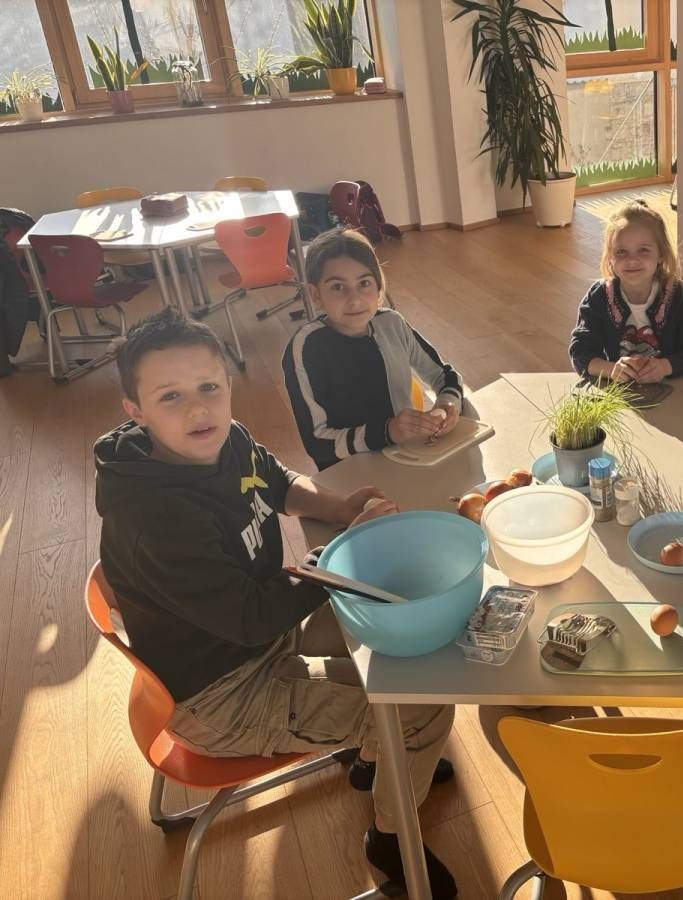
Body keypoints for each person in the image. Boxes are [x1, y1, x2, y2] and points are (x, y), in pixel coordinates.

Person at [95, 308, 458, 897]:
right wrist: (333, 552)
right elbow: (252, 617)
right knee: (425, 707)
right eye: (170, 397)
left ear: (228, 382)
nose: (198, 409)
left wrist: (338, 507)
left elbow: (277, 480)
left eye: (209, 387)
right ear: (134, 410)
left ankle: (377, 756)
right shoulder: (156, 518)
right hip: (224, 697)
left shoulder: (226, 440)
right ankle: (391, 837)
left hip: (255, 642)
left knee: (384, 623)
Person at [283, 227, 464, 471]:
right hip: (350, 475)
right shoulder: (306, 347)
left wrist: (447, 405)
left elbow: (445, 376)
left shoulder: (392, 323)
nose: (355, 299)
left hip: (410, 458)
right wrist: (387, 431)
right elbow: (318, 443)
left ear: (379, 287)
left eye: (364, 283)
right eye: (337, 287)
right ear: (316, 295)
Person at [568, 199, 683, 383]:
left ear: (661, 254)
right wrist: (611, 369)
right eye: (621, 252)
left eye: (643, 250)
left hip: (672, 389)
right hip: (619, 393)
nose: (632, 260)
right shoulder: (599, 297)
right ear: (610, 256)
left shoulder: (678, 294)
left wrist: (665, 366)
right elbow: (580, 352)